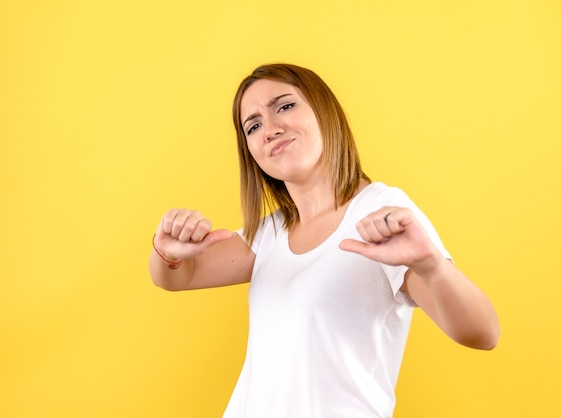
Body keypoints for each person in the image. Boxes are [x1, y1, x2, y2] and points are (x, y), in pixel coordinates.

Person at [149, 63, 499, 418]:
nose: (270, 129)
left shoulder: (380, 210)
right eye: (253, 126)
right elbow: (178, 277)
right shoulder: (273, 233)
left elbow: (483, 333)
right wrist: (166, 250)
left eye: (284, 106)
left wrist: (432, 268)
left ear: (324, 110)